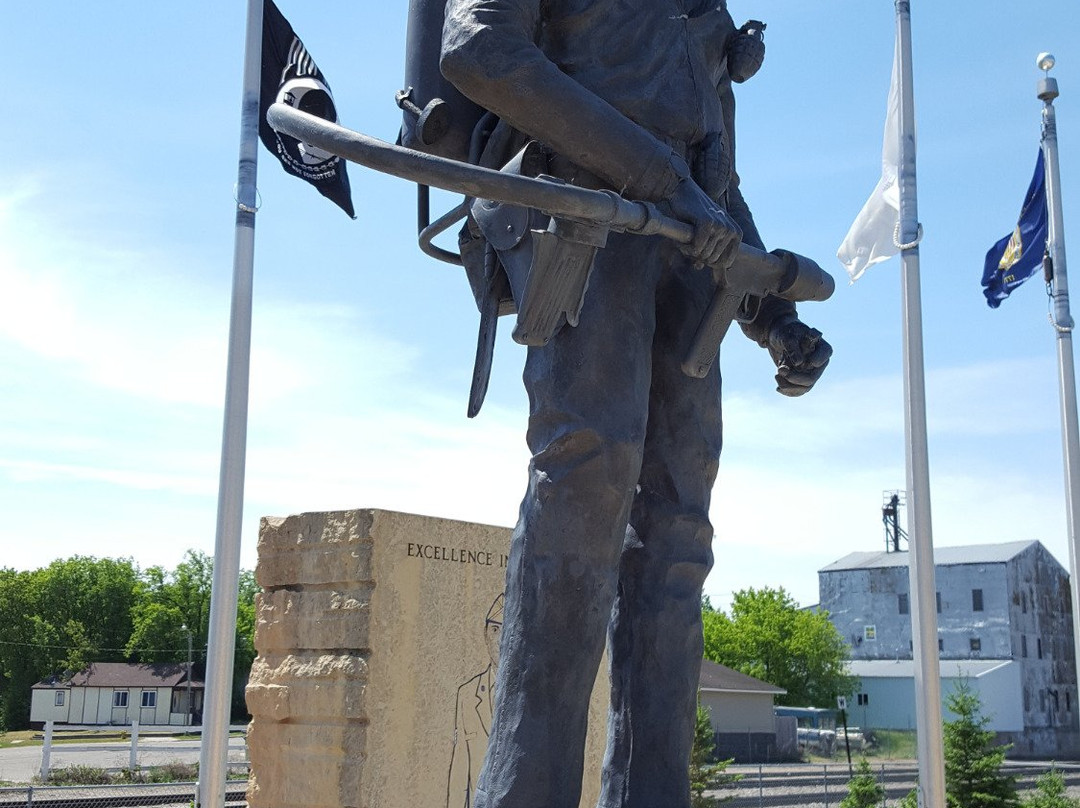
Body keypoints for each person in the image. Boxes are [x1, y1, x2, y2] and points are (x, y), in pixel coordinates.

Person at [439, 3, 832, 807]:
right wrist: (659, 179)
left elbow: (714, 179)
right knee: (586, 483)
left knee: (680, 531)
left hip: (688, 243)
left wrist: (775, 316)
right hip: (581, 208)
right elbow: (478, 48)